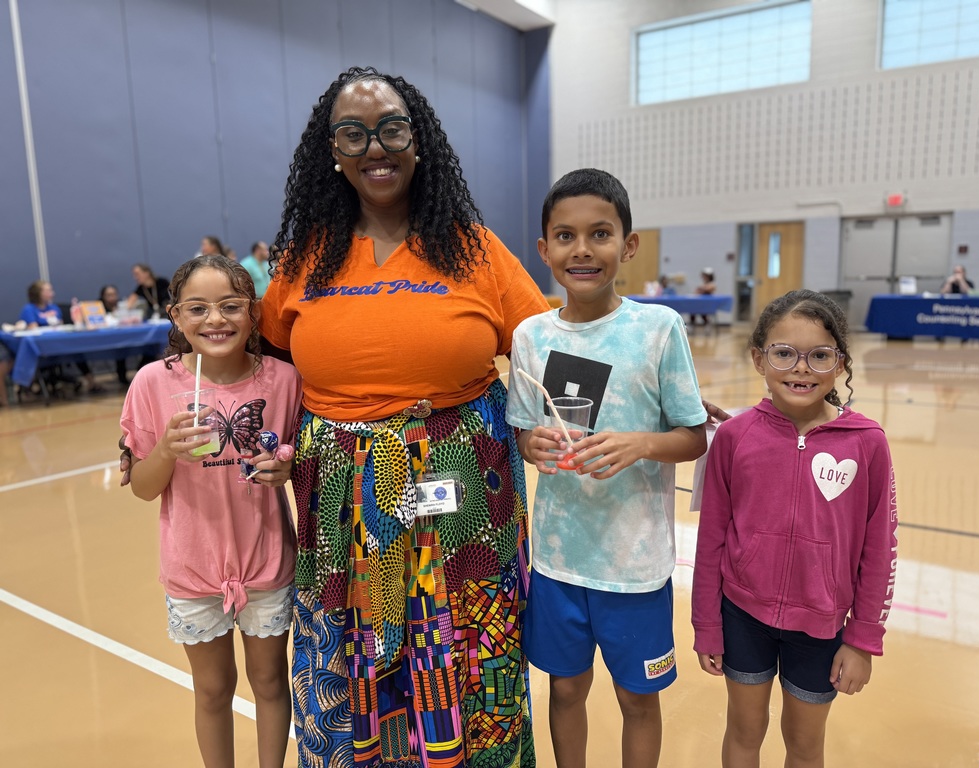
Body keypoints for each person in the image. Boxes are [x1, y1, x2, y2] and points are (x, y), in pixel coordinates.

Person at [257, 66, 548, 767]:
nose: (374, 147)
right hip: (340, 500)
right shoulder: (302, 261)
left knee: (471, 646)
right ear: (331, 150)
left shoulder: (473, 247)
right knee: (351, 646)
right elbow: (264, 369)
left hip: (464, 488)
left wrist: (637, 393)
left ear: (419, 139)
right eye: (352, 133)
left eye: (390, 128)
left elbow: (555, 347)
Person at [506, 168, 709, 768]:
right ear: (544, 251)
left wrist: (640, 445)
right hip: (559, 560)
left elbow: (693, 436)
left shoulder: (658, 329)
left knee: (637, 699)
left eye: (599, 233)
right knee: (565, 689)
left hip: (635, 564)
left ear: (629, 244)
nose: (582, 250)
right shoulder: (530, 336)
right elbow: (523, 429)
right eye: (564, 237)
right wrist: (531, 445)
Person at [690, 289, 899, 768]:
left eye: (819, 356)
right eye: (784, 353)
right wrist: (707, 624)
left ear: (841, 364)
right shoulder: (734, 437)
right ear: (759, 359)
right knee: (744, 732)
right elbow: (712, 539)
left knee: (804, 745)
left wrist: (863, 638)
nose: (801, 368)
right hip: (742, 617)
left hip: (822, 626)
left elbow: (879, 548)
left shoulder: (867, 444)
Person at [120, 253, 302, 768]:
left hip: (266, 561)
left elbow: (297, 459)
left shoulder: (284, 380)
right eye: (197, 309)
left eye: (230, 306)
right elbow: (143, 489)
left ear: (253, 313)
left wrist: (284, 469)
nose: (215, 320)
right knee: (212, 689)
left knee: (269, 680)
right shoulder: (153, 384)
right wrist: (166, 452)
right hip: (192, 566)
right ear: (176, 317)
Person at [19, 280, 100, 393]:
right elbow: (33, 327)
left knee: (76, 349)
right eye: (48, 290)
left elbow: (60, 324)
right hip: (42, 347)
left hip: (58, 343)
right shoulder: (29, 309)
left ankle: (91, 381)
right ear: (38, 293)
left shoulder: (53, 308)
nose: (52, 293)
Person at [99, 284, 131, 386]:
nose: (112, 297)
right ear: (103, 296)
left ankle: (123, 377)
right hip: (103, 337)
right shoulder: (98, 308)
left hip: (120, 335)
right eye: (109, 295)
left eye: (114, 294)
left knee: (122, 347)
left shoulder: (121, 306)